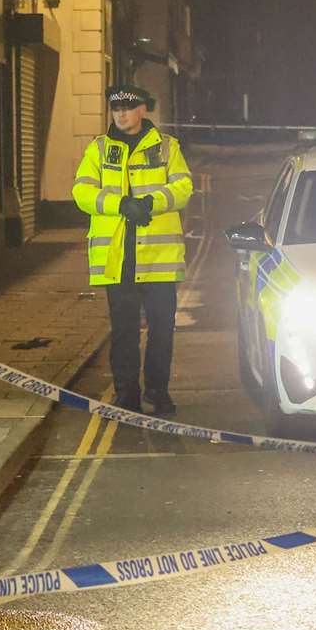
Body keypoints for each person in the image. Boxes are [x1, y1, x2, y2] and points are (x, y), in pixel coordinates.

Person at [71, 84, 193, 416]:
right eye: (115, 108)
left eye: (127, 107)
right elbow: (82, 192)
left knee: (161, 330)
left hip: (159, 258)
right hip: (118, 258)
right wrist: (121, 204)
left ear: (143, 109)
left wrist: (150, 203)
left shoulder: (167, 147)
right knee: (123, 331)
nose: (121, 114)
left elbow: (183, 187)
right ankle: (127, 394)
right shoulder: (98, 149)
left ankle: (158, 391)